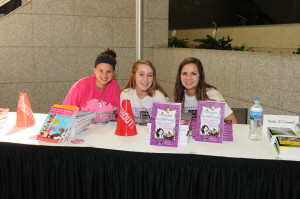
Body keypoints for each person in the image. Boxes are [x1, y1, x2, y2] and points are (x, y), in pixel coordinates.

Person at [173, 57, 238, 124]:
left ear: (200, 76)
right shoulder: (178, 97)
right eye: (184, 73)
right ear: (179, 76)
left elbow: (233, 122)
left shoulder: (211, 94)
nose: (188, 78)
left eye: (193, 73)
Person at [63, 48, 120, 113]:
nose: (104, 75)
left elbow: (118, 113)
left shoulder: (114, 86)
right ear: (94, 70)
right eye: (100, 71)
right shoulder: (81, 85)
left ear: (113, 73)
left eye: (108, 71)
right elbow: (65, 111)